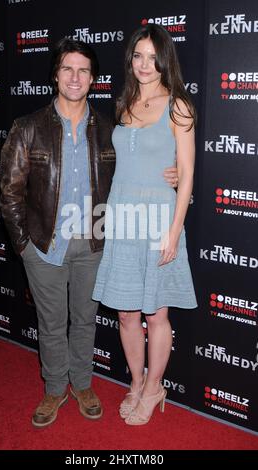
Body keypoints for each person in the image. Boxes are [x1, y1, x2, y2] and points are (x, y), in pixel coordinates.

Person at [0, 36, 178, 428]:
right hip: (45, 245)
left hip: (95, 243)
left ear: (93, 78)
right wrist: (24, 244)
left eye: (83, 70)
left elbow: (139, 167)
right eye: (67, 69)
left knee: (84, 321)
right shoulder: (27, 128)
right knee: (50, 323)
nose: (75, 77)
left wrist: (175, 175)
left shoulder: (110, 129)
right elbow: (10, 192)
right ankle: (53, 389)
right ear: (55, 76)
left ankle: (81, 384)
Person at [92, 24, 197, 426]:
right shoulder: (124, 102)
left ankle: (155, 388)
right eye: (138, 55)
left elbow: (186, 174)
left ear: (165, 60)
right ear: (130, 59)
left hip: (158, 220)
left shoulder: (179, 106)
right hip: (122, 216)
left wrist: (173, 232)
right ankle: (135, 381)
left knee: (156, 315)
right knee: (125, 314)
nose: (144, 64)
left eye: (153, 57)